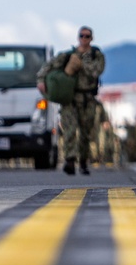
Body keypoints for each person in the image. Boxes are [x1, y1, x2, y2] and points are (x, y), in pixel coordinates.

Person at [36, 26, 105, 175]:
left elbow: (96, 71)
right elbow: (49, 66)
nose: (84, 39)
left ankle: (84, 161)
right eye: (82, 36)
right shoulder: (68, 55)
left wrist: (80, 65)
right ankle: (70, 160)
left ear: (91, 38)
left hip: (88, 99)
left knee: (86, 132)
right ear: (78, 37)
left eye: (87, 36)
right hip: (70, 98)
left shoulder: (96, 55)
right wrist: (41, 80)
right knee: (69, 130)